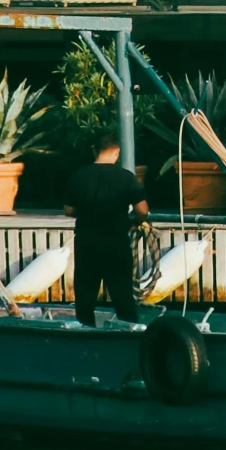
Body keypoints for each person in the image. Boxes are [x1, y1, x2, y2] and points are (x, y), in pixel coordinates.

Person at [64, 138, 150, 326]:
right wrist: (135, 221)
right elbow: (142, 210)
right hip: (116, 243)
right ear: (117, 152)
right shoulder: (126, 177)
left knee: (85, 297)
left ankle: (85, 335)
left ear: (95, 150)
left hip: (86, 244)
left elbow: (69, 210)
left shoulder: (79, 176)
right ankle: (129, 335)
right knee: (122, 295)